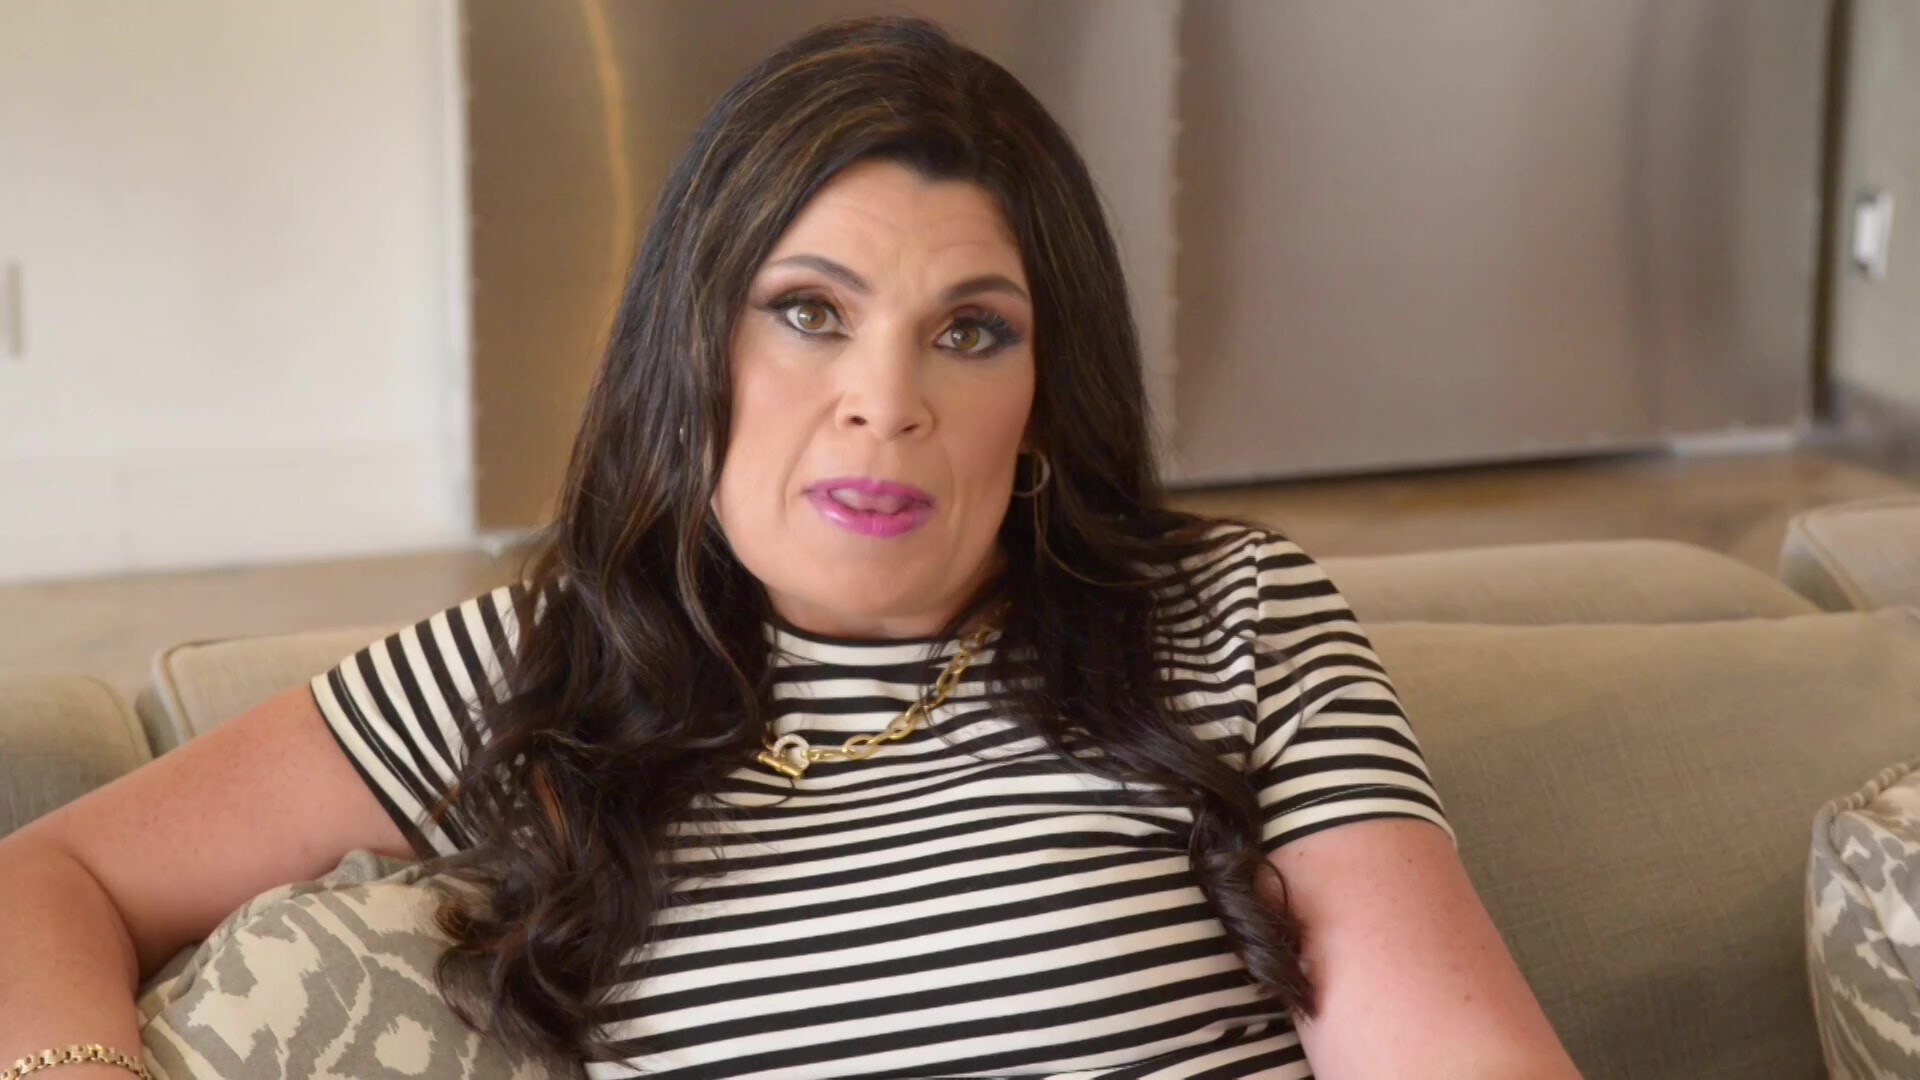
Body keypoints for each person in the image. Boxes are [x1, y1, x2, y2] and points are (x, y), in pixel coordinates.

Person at [0, 16, 1580, 1080]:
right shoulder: (537, 673)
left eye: (971, 331)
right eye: (810, 312)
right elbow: (45, 877)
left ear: (1043, 397)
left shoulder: (1224, 618)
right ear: (694, 347)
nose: (884, 402)